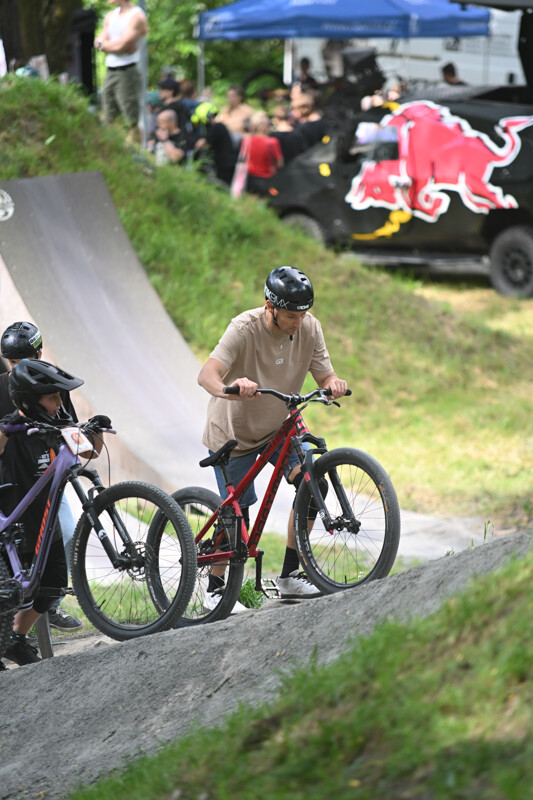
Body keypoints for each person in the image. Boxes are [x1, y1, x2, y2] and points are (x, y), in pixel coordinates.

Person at [197, 266, 347, 605]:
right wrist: (231, 389)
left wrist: (333, 385)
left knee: (314, 484)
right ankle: (216, 589)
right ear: (270, 307)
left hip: (279, 427)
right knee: (238, 518)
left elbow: (325, 375)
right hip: (233, 434)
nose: (299, 321)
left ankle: (291, 575)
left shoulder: (310, 328)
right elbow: (206, 375)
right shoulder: (243, 329)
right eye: (292, 315)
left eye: (303, 313)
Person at [0, 360, 107, 668]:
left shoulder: (55, 425)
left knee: (54, 586)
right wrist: (7, 431)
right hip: (16, 519)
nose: (60, 404)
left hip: (46, 520)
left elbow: (90, 452)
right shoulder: (12, 426)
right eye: (53, 398)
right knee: (8, 593)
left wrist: (96, 429)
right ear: (29, 402)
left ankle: (16, 640)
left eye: (60, 397)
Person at [0, 322, 82, 633]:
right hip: (10, 483)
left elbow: (69, 426)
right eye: (12, 363)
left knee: (68, 530)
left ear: (38, 354)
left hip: (43, 479)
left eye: (24, 360)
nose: (18, 368)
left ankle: (52, 603)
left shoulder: (49, 384)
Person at [94, 0, 149, 143]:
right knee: (109, 116)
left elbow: (121, 46)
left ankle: (136, 157)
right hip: (110, 71)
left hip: (127, 72)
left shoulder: (137, 17)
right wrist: (113, 45)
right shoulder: (110, 16)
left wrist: (106, 45)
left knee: (130, 119)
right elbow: (98, 42)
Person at [192, 102, 238, 186]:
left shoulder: (217, 127)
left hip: (225, 166)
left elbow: (199, 144)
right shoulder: (218, 127)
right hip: (225, 164)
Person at [244, 111, 284, 196]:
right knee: (272, 197)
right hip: (267, 179)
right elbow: (280, 164)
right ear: (266, 127)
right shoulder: (272, 142)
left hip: (249, 178)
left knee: (251, 200)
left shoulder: (246, 140)